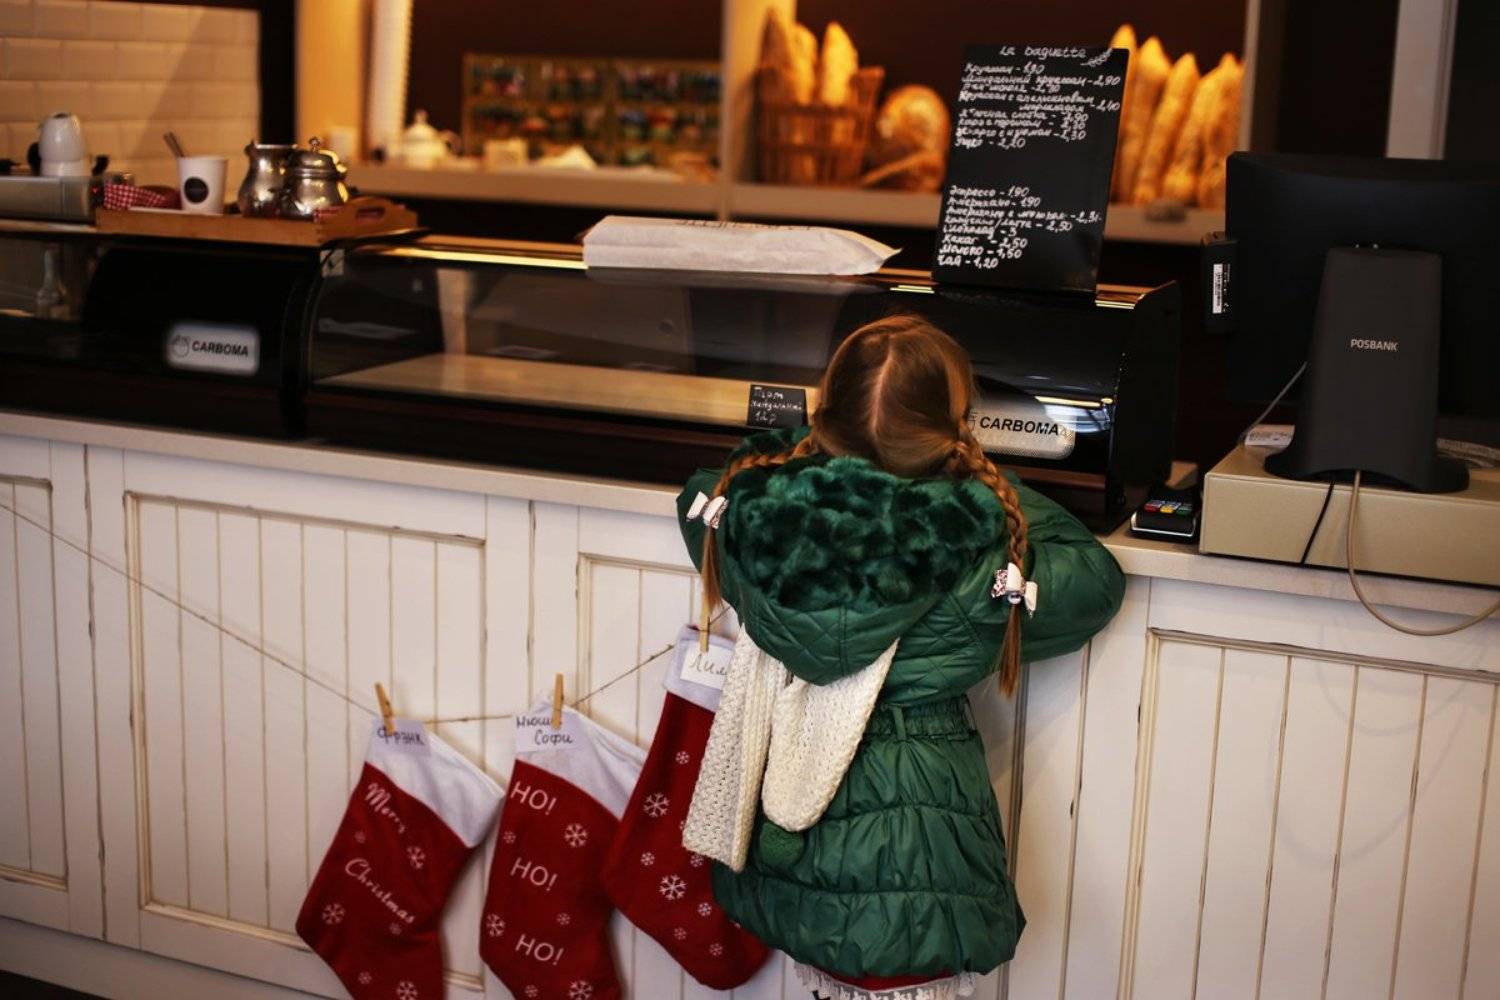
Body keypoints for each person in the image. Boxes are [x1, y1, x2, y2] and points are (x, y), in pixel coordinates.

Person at [675, 315, 1125, 999]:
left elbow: (699, 493)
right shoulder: (975, 548)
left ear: (828, 413)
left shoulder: (752, 516)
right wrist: (972, 488)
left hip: (795, 867)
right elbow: (1093, 581)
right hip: (919, 858)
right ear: (953, 427)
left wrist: (820, 460)